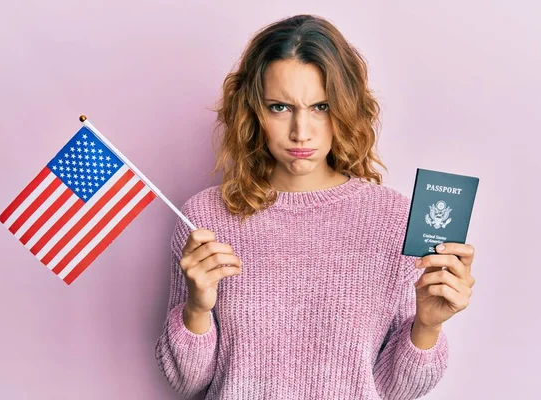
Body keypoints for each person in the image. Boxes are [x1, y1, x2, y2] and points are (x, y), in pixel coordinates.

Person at [155, 14, 476, 400]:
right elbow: (187, 382)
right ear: (253, 111)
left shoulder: (394, 220)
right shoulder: (205, 218)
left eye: (320, 107)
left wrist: (426, 326)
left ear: (346, 107)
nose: (300, 132)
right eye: (280, 107)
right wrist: (196, 309)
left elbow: (392, 391)